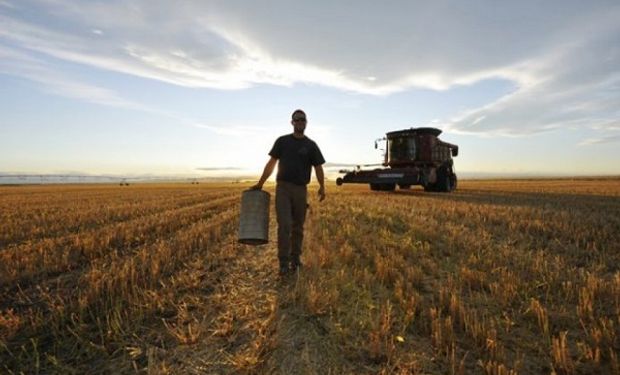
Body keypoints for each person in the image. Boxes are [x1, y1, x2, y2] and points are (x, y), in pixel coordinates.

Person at [251, 109, 326, 276]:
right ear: (292, 122)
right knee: (284, 225)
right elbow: (272, 163)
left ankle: (295, 259)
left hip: (301, 190)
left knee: (298, 227)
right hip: (283, 188)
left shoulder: (311, 145)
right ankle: (283, 262)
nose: (300, 122)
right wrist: (261, 183)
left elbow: (318, 167)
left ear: (306, 123)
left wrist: (322, 186)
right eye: (297, 119)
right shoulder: (282, 141)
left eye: (303, 120)